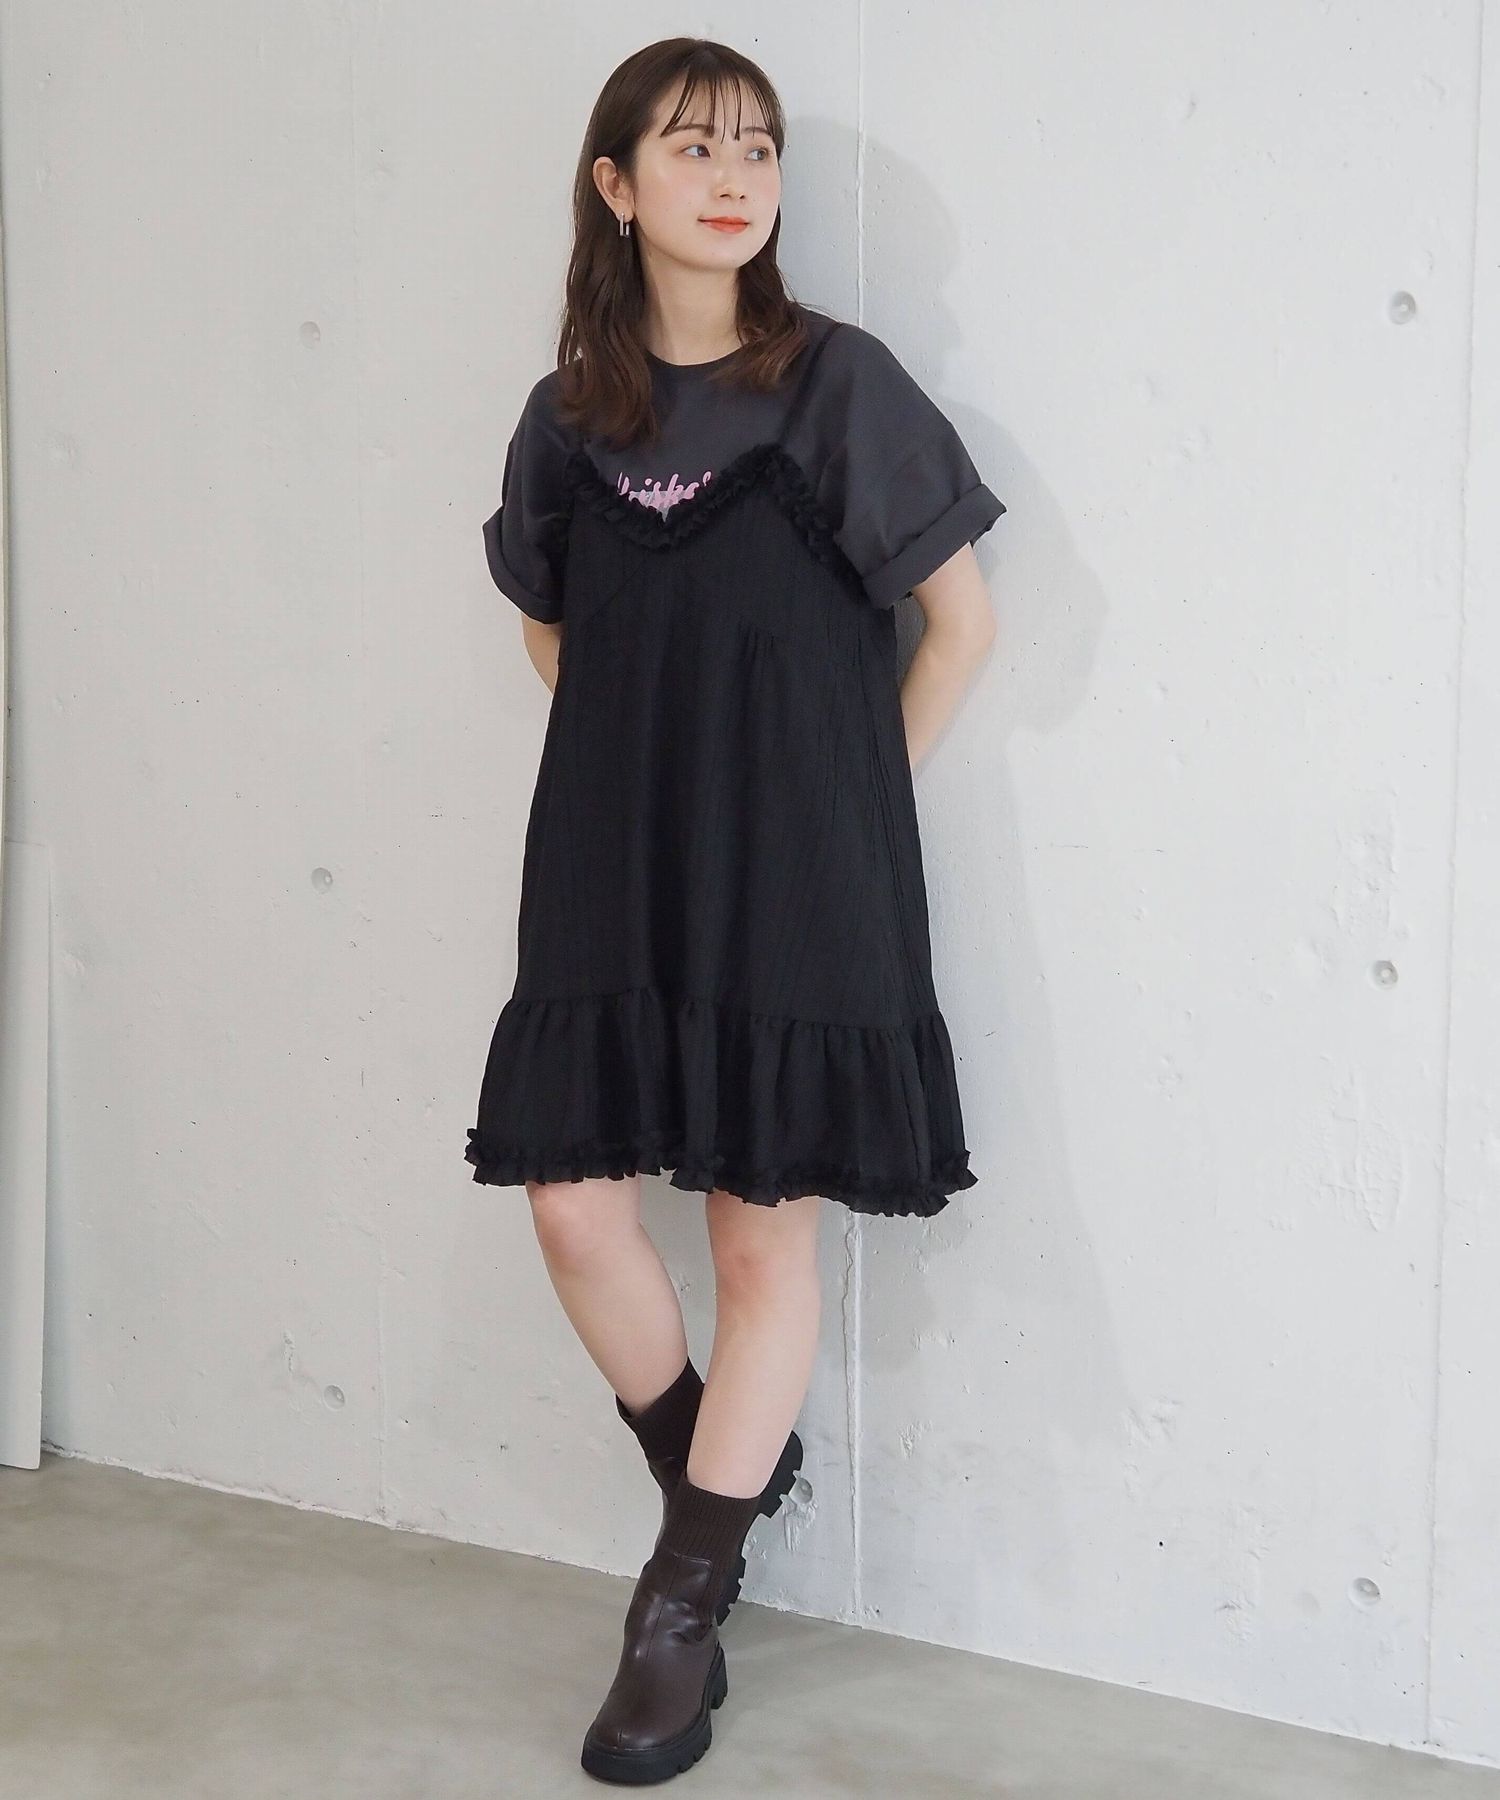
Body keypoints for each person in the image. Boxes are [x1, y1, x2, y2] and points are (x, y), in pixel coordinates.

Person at [465, 36, 1006, 1786]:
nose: (735, 179)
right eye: (694, 148)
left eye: (758, 149)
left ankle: (677, 1616)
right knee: (572, 1209)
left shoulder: (838, 384)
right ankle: (719, 1470)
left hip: (804, 878)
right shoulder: (567, 418)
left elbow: (963, 626)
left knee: (762, 1239)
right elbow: (553, 631)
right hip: (612, 866)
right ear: (614, 187)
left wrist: (838, 806)